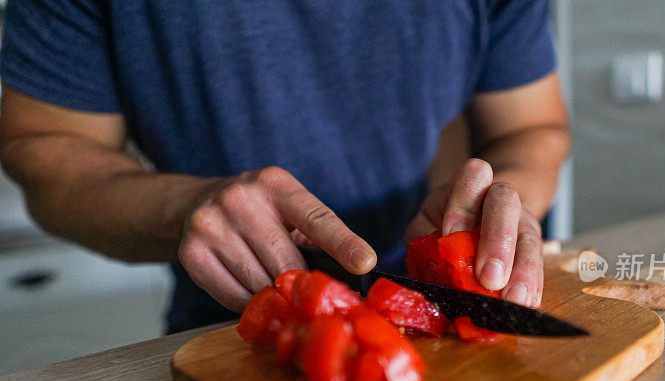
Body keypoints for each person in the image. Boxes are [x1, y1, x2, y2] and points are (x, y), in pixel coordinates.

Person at [0, 1, 570, 333]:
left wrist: (496, 206)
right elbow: (45, 148)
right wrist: (183, 208)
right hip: (232, 326)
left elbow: (530, 130)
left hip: (437, 307)